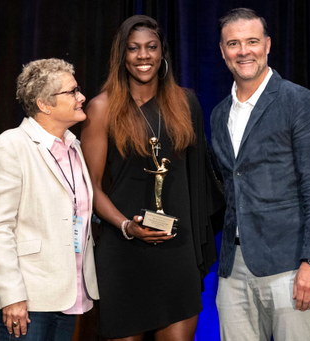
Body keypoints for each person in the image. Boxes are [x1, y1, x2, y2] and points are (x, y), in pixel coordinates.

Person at [81, 15, 222, 341]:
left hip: (177, 247)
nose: (143, 56)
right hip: (123, 249)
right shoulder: (102, 108)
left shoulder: (187, 104)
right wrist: (126, 226)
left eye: (151, 47)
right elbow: (91, 186)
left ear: (162, 54)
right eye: (134, 49)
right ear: (122, 55)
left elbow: (199, 181)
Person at [210, 8, 310, 341]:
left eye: (251, 41)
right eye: (233, 43)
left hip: (291, 265)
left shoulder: (299, 101)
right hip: (233, 270)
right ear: (223, 52)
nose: (243, 51)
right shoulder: (219, 114)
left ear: (267, 45)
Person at [0, 58, 99, 340]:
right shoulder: (9, 146)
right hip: (29, 296)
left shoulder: (75, 148)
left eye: (78, 89)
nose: (82, 97)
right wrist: (12, 296)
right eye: (71, 92)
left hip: (69, 293)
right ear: (44, 104)